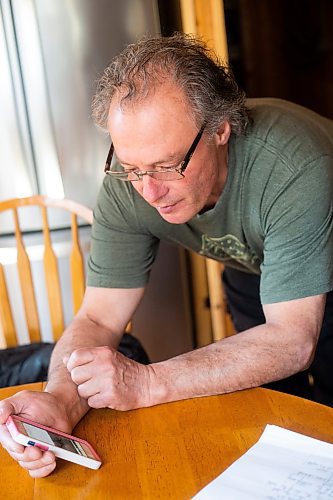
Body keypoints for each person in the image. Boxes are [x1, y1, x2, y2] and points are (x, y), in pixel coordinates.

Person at [1, 32, 333, 478]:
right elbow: (99, 319)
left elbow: (293, 339)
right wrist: (59, 399)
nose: (150, 191)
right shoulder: (129, 185)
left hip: (321, 251)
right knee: (275, 409)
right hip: (254, 268)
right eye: (134, 169)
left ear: (220, 128)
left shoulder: (295, 166)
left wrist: (148, 382)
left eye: (167, 165)